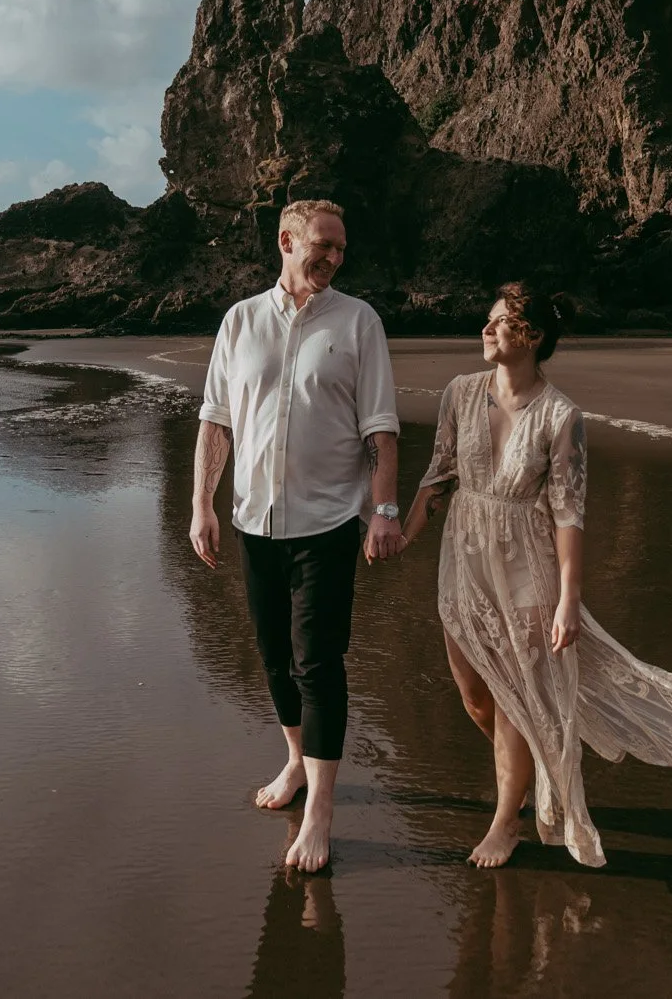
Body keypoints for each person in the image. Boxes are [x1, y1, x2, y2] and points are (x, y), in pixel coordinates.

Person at [403, 283, 672, 868]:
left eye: (500, 323)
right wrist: (401, 534)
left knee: (518, 698)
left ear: (533, 337)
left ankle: (506, 822)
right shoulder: (460, 393)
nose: (486, 329)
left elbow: (569, 512)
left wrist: (568, 600)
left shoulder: (560, 415)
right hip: (464, 562)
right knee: (476, 696)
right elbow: (438, 473)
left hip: (527, 568)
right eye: (489, 320)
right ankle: (529, 778)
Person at [191, 198, 404, 873]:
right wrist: (202, 503)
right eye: (323, 244)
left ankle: (320, 811)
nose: (334, 258)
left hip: (328, 525)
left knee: (318, 661)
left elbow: (382, 428)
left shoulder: (358, 321)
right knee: (274, 657)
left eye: (341, 249)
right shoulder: (240, 321)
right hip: (255, 522)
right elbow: (216, 421)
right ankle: (295, 762)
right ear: (287, 240)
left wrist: (385, 510)